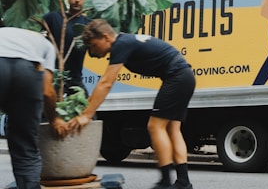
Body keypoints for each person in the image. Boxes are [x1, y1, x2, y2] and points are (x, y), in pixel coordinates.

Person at [68, 19, 195, 189]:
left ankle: (165, 182)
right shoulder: (125, 41)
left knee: (154, 126)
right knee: (172, 129)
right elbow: (103, 85)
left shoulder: (120, 44)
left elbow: (106, 82)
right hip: (183, 76)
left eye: (92, 45)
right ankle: (183, 182)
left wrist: (87, 116)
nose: (92, 51)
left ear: (105, 37)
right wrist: (85, 109)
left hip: (177, 76)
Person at [0, 26, 69, 189]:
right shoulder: (46, 45)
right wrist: (54, 120)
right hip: (27, 75)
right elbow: (47, 91)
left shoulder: (4, 33)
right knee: (26, 147)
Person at [43, 0, 91, 97]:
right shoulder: (53, 18)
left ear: (86, 0)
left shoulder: (88, 25)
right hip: (53, 77)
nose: (77, 0)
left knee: (86, 112)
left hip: (75, 79)